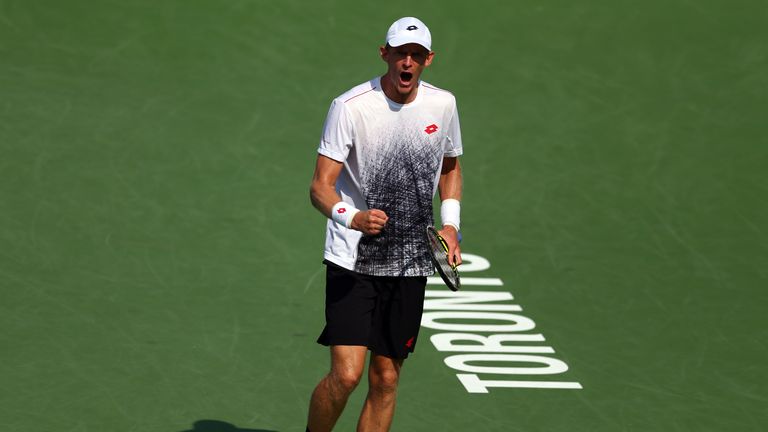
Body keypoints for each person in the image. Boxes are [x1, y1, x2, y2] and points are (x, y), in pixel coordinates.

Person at [306, 16, 464, 432]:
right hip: (353, 258)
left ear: (428, 60)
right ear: (385, 55)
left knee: (387, 378)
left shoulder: (443, 105)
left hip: (411, 262)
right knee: (346, 375)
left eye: (416, 55)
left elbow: (450, 168)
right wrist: (352, 217)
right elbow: (320, 188)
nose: (407, 63)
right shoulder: (350, 107)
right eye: (400, 54)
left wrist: (450, 226)